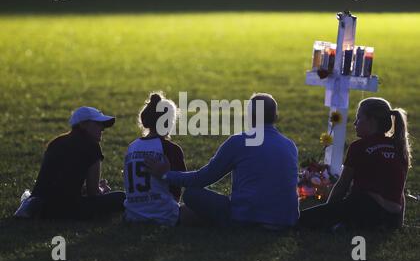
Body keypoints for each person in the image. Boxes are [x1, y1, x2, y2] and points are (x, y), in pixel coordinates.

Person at [145, 93, 300, 230]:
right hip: (285, 221)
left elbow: (202, 179)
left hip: (246, 219)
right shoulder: (290, 145)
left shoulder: (239, 142)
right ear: (276, 118)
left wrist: (166, 175)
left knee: (192, 194)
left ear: (249, 116)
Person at [299, 97, 412, 230]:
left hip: (364, 208)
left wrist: (328, 211)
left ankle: (346, 224)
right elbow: (399, 191)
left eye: (358, 118)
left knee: (301, 219)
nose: (354, 123)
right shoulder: (399, 147)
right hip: (391, 216)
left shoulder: (359, 147)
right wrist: (398, 223)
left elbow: (343, 185)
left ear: (372, 120)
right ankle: (358, 225)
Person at [14, 106, 125, 220]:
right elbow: (93, 193)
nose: (102, 128)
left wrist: (84, 189)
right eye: (97, 123)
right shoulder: (92, 146)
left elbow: (55, 183)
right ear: (83, 125)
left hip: (40, 208)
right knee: (122, 197)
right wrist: (102, 190)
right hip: (67, 210)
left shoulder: (56, 142)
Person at [123, 92, 198, 226]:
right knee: (203, 210)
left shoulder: (132, 147)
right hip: (164, 214)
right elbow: (178, 186)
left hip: (132, 214)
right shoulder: (170, 149)